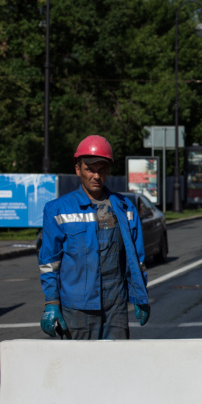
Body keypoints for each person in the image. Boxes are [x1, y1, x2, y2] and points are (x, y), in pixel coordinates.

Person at [38, 135, 150, 340]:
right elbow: (49, 263)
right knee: (79, 367)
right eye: (90, 169)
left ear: (108, 170)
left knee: (115, 366)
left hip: (115, 306)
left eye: (102, 169)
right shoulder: (57, 210)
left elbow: (137, 259)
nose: (96, 176)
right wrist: (51, 305)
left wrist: (139, 296)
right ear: (78, 169)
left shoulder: (125, 208)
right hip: (77, 310)